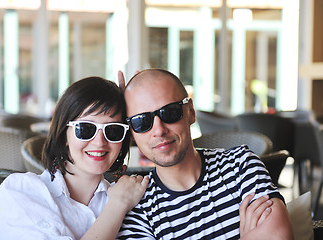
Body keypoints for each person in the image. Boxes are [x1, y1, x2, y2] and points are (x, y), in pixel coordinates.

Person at [117, 69, 293, 239]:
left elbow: (279, 235)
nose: (159, 130)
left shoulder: (240, 165)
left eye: (170, 112)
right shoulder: (137, 208)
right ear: (131, 132)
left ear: (190, 112)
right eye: (141, 121)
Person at [0, 77, 149, 239]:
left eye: (113, 130)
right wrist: (118, 204)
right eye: (86, 128)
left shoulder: (131, 197)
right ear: (64, 135)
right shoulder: (21, 191)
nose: (99, 142)